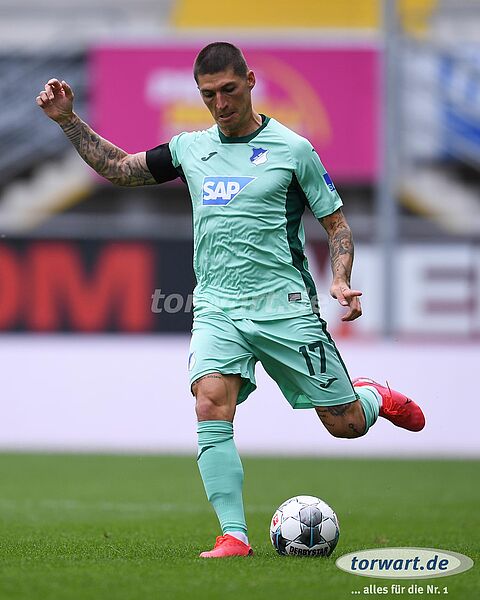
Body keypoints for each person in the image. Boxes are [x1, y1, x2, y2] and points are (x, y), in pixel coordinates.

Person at [37, 42, 425, 559]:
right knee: (209, 403)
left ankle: (372, 396)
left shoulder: (294, 150)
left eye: (228, 90)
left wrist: (339, 279)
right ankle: (234, 536)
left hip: (284, 306)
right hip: (217, 306)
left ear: (250, 81)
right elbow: (120, 169)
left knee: (345, 425)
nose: (220, 104)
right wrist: (68, 121)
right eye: (208, 95)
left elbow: (336, 225)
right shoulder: (189, 149)